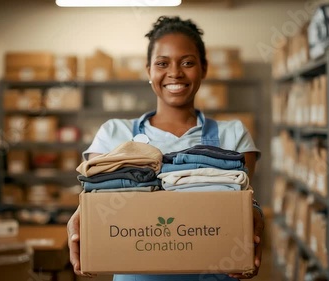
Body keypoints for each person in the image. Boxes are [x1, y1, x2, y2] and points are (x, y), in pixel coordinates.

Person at [67, 15, 264, 280]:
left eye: (187, 62)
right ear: (148, 70)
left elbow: (244, 200)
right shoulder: (115, 133)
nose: (175, 73)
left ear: (204, 68)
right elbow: (94, 202)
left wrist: (255, 217)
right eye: (162, 63)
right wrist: (80, 216)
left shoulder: (233, 135)